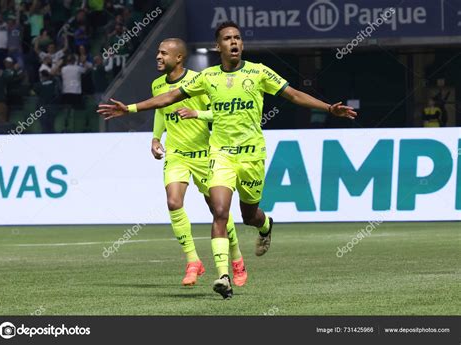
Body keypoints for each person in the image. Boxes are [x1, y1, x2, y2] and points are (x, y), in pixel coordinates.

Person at [98, 21, 357, 299]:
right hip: (220, 155)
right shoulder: (207, 77)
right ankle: (223, 276)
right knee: (220, 211)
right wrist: (131, 108)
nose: (233, 42)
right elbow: (169, 97)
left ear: (241, 44)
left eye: (237, 38)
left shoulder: (258, 73)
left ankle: (266, 225)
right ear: (217, 46)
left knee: (249, 216)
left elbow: (293, 94)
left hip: (252, 156)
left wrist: (329, 107)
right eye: (227, 38)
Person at [148, 38, 247, 287]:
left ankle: (236, 257)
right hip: (177, 155)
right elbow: (161, 112)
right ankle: (193, 261)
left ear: (179, 57)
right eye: (157, 53)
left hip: (205, 154)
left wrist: (197, 113)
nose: (158, 57)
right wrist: (156, 137)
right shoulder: (157, 84)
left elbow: (221, 112)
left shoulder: (200, 81)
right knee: (173, 202)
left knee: (218, 211)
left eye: (163, 53)